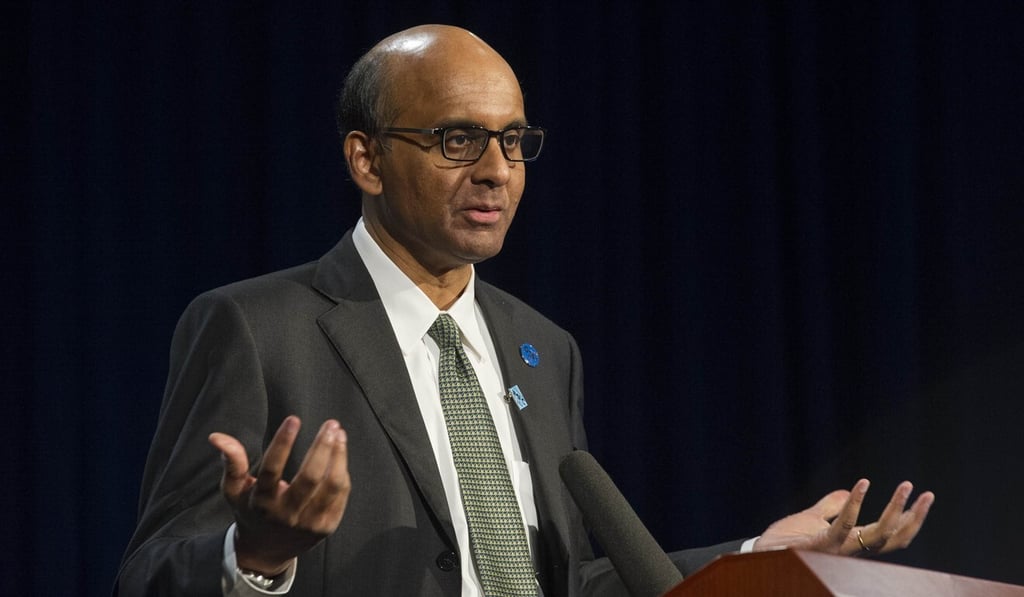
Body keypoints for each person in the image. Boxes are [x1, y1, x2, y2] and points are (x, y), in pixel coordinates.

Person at [114, 24, 934, 597]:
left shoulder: (545, 347)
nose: (497, 170)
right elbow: (147, 572)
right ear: (366, 158)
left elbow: (569, 580)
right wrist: (254, 555)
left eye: (513, 141)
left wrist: (759, 552)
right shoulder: (255, 326)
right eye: (457, 140)